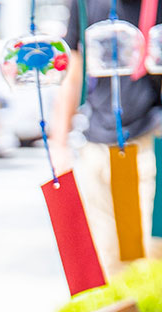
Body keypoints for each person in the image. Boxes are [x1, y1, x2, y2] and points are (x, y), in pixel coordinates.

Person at [50, 0, 162, 273]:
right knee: (107, 252)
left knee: (152, 247)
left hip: (152, 137)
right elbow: (73, 70)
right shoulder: (84, 3)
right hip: (98, 141)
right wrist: (58, 142)